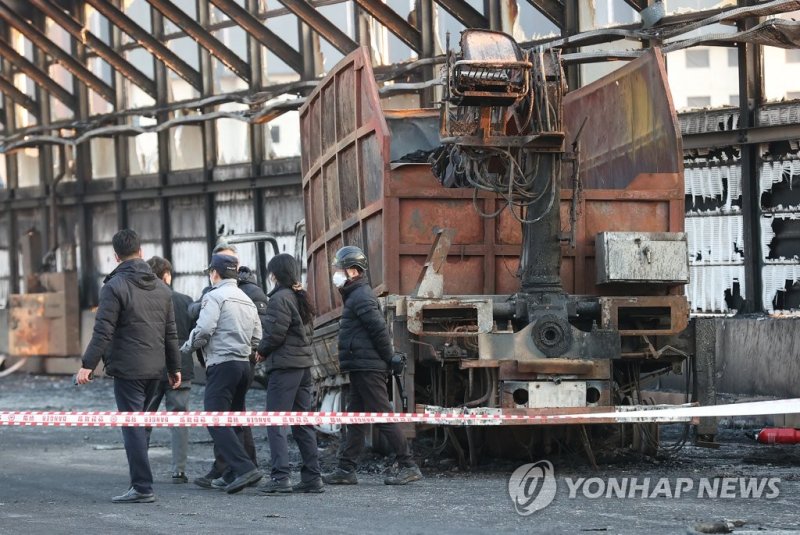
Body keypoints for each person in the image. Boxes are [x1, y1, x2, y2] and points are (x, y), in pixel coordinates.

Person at [76, 229, 181, 504]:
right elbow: (171, 333)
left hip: (128, 370)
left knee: (132, 426)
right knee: (141, 425)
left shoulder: (114, 287)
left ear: (115, 256)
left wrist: (88, 365)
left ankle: (143, 487)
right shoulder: (162, 288)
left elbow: (103, 331)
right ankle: (141, 482)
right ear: (141, 252)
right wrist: (174, 368)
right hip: (157, 370)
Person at [322, 246, 423, 486]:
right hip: (361, 367)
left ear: (354, 272)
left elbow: (379, 330)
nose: (336, 273)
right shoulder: (355, 295)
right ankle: (346, 469)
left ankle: (408, 466)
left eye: (340, 269)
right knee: (354, 417)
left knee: (382, 416)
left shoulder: (361, 296)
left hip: (368, 367)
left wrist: (390, 359)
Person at [181, 253, 263, 494]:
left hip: (222, 364)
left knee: (215, 418)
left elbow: (205, 328)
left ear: (214, 273)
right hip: (244, 366)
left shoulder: (214, 296)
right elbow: (258, 335)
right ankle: (235, 472)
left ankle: (245, 468)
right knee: (235, 418)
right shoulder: (246, 299)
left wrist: (187, 347)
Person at [255, 253, 322, 494]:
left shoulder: (279, 299)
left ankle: (281, 477)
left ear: (275, 275)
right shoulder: (300, 297)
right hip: (304, 368)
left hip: (285, 369)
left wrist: (261, 352)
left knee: (275, 423)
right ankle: (312, 478)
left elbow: (275, 334)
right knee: (302, 423)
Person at [143, 256, 196, 484]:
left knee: (143, 420)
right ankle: (179, 470)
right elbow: (196, 334)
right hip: (181, 368)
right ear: (166, 275)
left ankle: (140, 468)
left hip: (150, 369)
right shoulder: (185, 301)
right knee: (179, 421)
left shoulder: (143, 301)